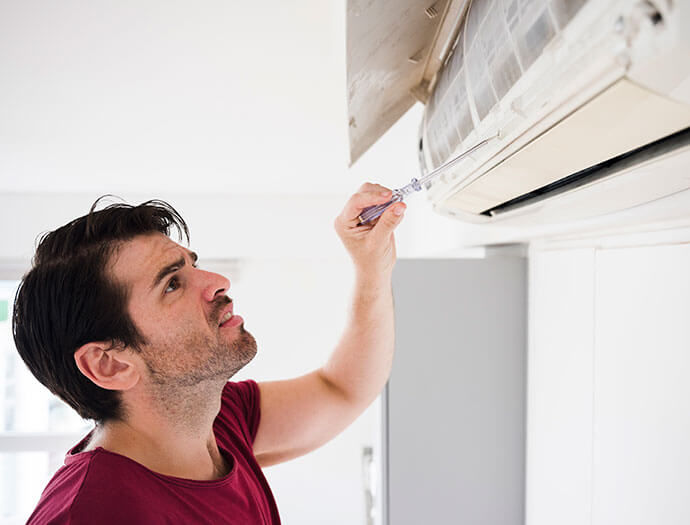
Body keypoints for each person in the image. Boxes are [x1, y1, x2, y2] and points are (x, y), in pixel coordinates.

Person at [12, 185, 406, 524]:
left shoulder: (218, 419)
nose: (219, 282)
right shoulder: (91, 513)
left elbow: (341, 389)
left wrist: (372, 267)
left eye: (192, 265)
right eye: (172, 284)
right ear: (109, 364)